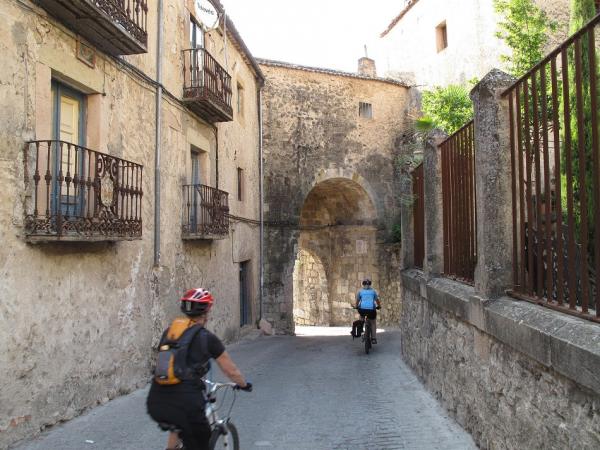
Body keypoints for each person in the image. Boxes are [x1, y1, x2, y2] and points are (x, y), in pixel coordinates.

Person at [147, 288, 252, 450]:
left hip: (156, 401)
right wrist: (244, 384)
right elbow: (231, 371)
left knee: (178, 425)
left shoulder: (169, 333)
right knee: (200, 440)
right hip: (186, 404)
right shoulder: (207, 338)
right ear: (206, 312)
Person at [355, 279, 381, 344]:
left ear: (363, 285)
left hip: (362, 310)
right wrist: (379, 306)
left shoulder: (360, 292)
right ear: (370, 285)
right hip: (371, 310)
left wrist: (356, 306)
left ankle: (360, 330)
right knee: (373, 323)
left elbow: (358, 301)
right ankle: (373, 338)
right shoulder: (373, 291)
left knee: (361, 317)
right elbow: (377, 300)